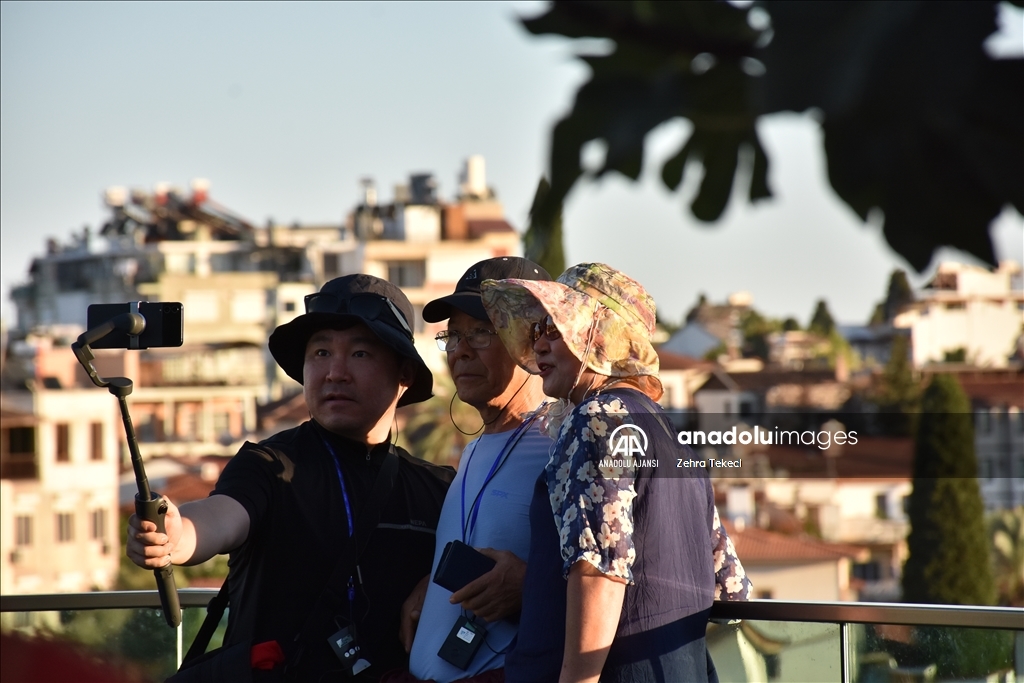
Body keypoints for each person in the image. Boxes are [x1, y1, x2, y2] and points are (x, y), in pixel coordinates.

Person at [127, 274, 454, 681]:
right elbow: (220, 518)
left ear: (404, 374)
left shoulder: (441, 489)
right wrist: (175, 535)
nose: (335, 372)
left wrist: (436, 584)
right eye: (320, 352)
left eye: (360, 354)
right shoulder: (269, 465)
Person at [481, 263, 752, 683]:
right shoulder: (669, 435)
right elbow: (732, 588)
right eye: (536, 331)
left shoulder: (596, 420)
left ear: (600, 336)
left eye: (556, 328)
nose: (539, 345)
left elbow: (597, 570)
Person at [393, 257, 554, 683]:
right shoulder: (475, 450)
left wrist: (532, 586)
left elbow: (628, 575)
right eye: (454, 335)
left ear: (535, 339)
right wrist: (433, 584)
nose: (460, 350)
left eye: (482, 331)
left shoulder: (566, 445)